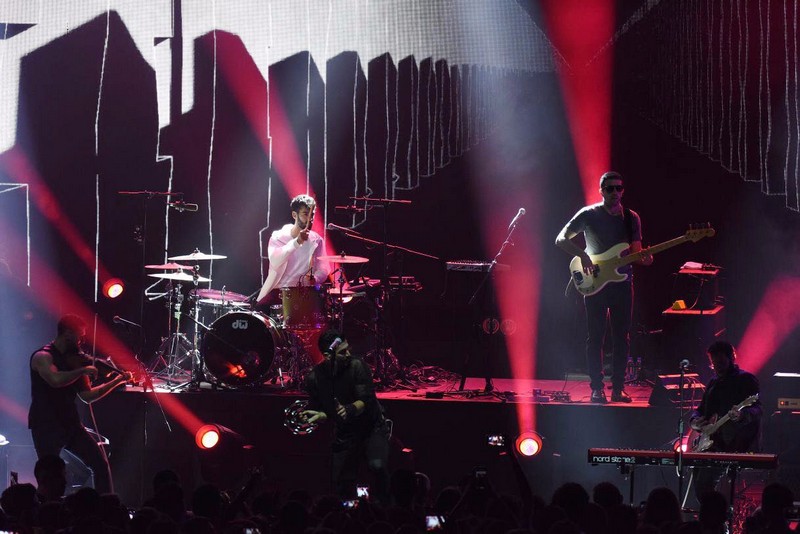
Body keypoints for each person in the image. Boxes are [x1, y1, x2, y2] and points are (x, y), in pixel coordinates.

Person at [555, 171, 653, 403]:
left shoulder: (631, 218)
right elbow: (561, 239)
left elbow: (636, 252)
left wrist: (645, 259)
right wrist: (583, 256)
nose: (615, 193)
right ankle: (597, 389)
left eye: (619, 188)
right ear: (601, 191)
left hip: (622, 282)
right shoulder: (588, 214)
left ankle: (618, 388)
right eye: (609, 188)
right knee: (595, 336)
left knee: (622, 337)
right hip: (595, 280)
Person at [29, 314, 130, 494]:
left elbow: (87, 396)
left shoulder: (75, 360)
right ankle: (48, 512)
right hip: (46, 424)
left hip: (71, 423)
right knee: (50, 474)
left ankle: (106, 506)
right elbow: (55, 379)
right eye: (79, 335)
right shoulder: (42, 356)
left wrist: (117, 381)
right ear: (68, 334)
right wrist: (82, 370)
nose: (81, 340)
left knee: (100, 464)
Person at [301, 329, 391, 504]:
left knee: (377, 467)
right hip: (345, 434)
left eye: (348, 349)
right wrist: (321, 415)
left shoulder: (358, 366)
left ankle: (383, 511)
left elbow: (366, 399)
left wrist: (349, 409)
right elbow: (322, 410)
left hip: (372, 428)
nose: (349, 354)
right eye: (342, 352)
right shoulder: (314, 378)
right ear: (328, 355)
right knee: (341, 482)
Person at [688, 341, 761, 499]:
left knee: (704, 484)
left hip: (732, 444)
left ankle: (716, 517)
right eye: (713, 363)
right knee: (698, 484)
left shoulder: (746, 379)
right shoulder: (713, 382)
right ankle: (714, 516)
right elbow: (700, 410)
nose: (717, 367)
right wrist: (694, 421)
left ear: (731, 358)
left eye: (720, 362)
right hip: (709, 443)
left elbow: (757, 409)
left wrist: (742, 415)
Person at [256, 194, 331, 305]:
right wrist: (296, 242)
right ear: (294, 215)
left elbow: (324, 268)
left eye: (312, 214)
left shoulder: (317, 240)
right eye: (305, 214)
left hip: (304, 294)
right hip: (278, 292)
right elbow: (275, 261)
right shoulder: (278, 237)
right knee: (258, 315)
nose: (310, 219)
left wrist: (315, 278)